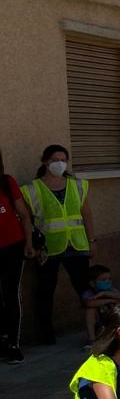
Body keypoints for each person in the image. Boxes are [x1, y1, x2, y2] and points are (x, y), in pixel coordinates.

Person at [23, 145, 92, 345]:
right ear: (45, 161)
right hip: (48, 248)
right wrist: (31, 244)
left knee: (84, 289)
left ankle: (95, 328)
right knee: (45, 290)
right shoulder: (32, 189)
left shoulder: (77, 185)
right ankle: (45, 334)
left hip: (77, 246)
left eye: (63, 159)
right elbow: (27, 219)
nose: (59, 163)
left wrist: (92, 241)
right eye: (54, 159)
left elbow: (87, 214)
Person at [0, 150, 33, 362]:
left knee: (10, 293)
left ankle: (14, 343)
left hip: (12, 247)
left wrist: (29, 242)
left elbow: (24, 214)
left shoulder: (6, 182)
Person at [81, 265, 120, 346]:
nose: (108, 281)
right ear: (92, 283)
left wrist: (104, 293)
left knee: (119, 306)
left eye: (109, 279)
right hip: (99, 326)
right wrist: (109, 300)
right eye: (103, 280)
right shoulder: (89, 293)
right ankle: (92, 339)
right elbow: (89, 303)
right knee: (90, 309)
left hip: (113, 324)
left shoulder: (111, 290)